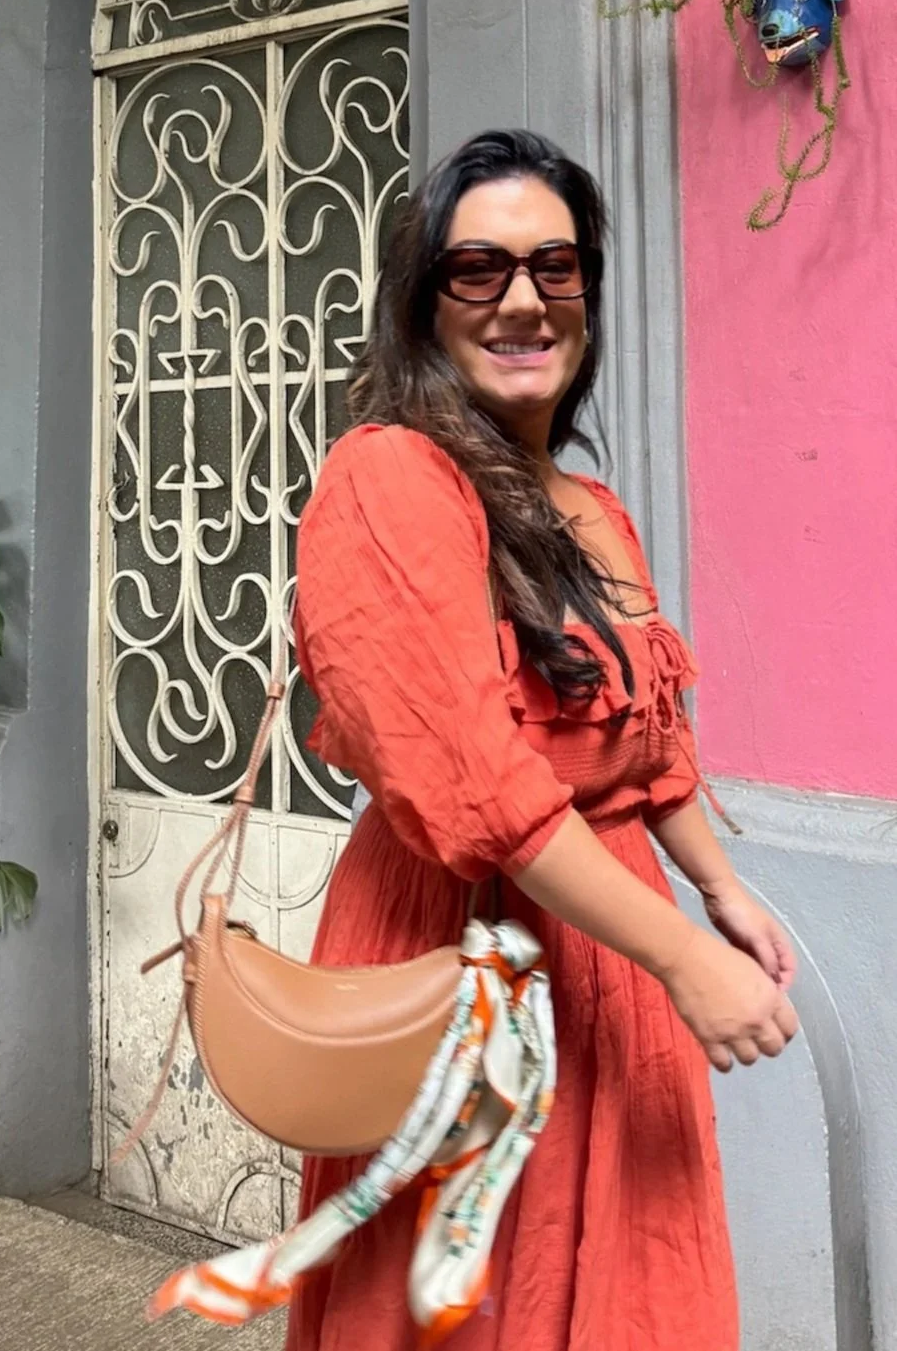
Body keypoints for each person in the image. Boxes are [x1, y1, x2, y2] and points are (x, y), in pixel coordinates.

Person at [285, 130, 798, 1351]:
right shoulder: (389, 478)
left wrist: (720, 890)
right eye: (480, 269)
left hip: (614, 952)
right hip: (467, 952)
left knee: (632, 1289)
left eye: (555, 267)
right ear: (424, 302)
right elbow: (479, 783)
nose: (523, 299)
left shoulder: (589, 506)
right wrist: (682, 955)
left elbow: (648, 741)